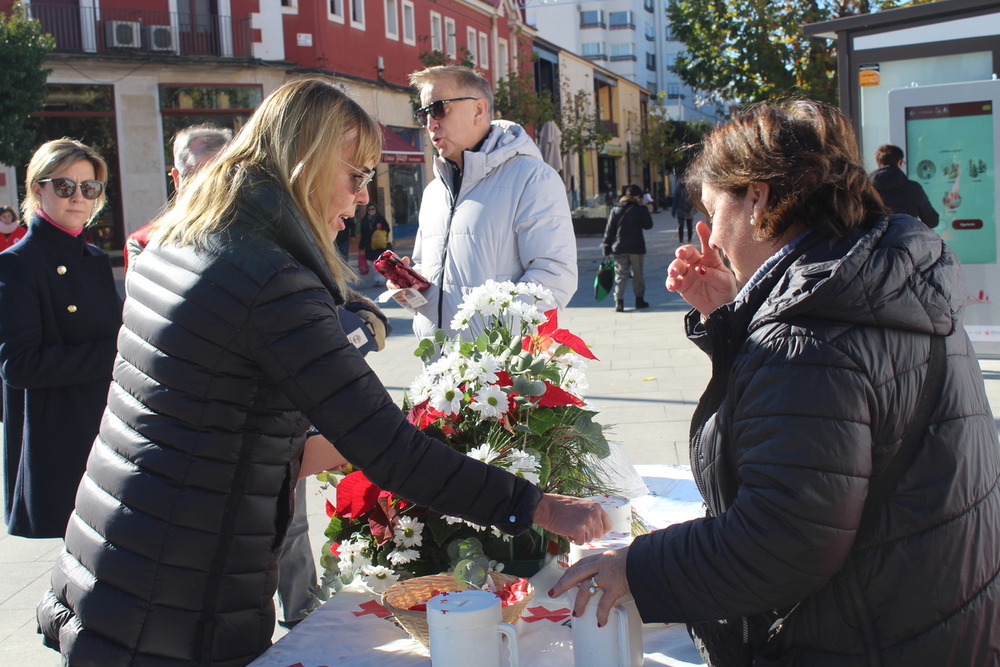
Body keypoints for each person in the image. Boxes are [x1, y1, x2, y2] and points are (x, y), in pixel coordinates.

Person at [36, 77, 609, 667]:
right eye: (357, 176)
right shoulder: (269, 279)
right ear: (306, 166)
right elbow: (388, 448)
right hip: (174, 591)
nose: (363, 199)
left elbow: (206, 406)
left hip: (117, 558)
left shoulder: (188, 238)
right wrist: (538, 506)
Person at [551, 99, 1000, 665]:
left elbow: (782, 539)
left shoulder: (806, 333)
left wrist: (635, 567)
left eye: (713, 213)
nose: (709, 239)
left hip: (865, 636)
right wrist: (738, 315)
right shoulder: (882, 276)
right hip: (934, 617)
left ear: (757, 197)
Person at [0, 139, 123, 539]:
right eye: (64, 186)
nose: (79, 198)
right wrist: (115, 355)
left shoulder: (92, 259)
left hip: (107, 430)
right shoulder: (17, 263)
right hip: (60, 438)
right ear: (38, 189)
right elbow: (18, 366)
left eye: (89, 188)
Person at [398, 66, 577, 340]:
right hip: (438, 366)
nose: (430, 123)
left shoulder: (533, 178)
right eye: (423, 114)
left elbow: (554, 275)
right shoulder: (435, 191)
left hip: (496, 369)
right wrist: (409, 287)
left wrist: (492, 343)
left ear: (479, 110)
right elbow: (425, 267)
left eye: (438, 109)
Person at [124, 123, 234, 271]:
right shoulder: (144, 242)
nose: (210, 188)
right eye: (197, 178)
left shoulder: (257, 234)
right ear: (177, 179)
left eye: (221, 176)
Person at [601, 184, 653, 312]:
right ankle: (639, 300)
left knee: (620, 275)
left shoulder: (615, 209)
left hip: (619, 248)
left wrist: (606, 248)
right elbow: (648, 225)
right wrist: (644, 207)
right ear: (637, 196)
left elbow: (609, 230)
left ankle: (619, 302)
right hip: (636, 248)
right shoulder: (639, 210)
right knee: (637, 275)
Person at [868, 144, 939, 228]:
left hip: (874, 239)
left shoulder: (866, 189)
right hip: (906, 238)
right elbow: (931, 220)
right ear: (900, 162)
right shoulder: (913, 189)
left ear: (878, 163)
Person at [358, 202, 390, 287]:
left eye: (373, 209)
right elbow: (363, 233)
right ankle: (377, 279)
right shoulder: (364, 220)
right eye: (369, 209)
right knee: (372, 262)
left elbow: (387, 228)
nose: (371, 211)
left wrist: (382, 228)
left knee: (379, 261)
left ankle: (381, 279)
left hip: (379, 243)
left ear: (376, 209)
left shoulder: (380, 218)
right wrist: (361, 245)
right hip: (369, 244)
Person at [671, 179, 695, 245]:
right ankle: (681, 241)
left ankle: (690, 240)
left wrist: (695, 209)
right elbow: (675, 201)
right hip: (681, 210)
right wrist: (673, 211)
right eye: (684, 180)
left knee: (690, 227)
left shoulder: (690, 188)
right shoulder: (678, 189)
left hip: (689, 210)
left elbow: (694, 199)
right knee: (680, 227)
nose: (685, 181)